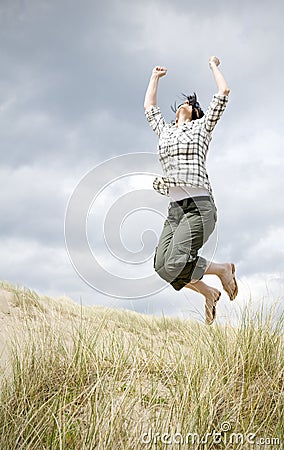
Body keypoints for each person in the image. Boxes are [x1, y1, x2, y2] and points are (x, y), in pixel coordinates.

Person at [144, 56, 238, 325]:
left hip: (199, 208)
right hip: (175, 210)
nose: (189, 104)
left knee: (175, 262)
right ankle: (209, 292)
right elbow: (149, 107)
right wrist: (154, 77)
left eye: (194, 105)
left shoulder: (201, 128)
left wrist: (214, 66)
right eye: (186, 102)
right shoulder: (166, 132)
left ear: (197, 115)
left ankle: (221, 269)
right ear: (176, 114)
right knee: (163, 267)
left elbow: (223, 93)